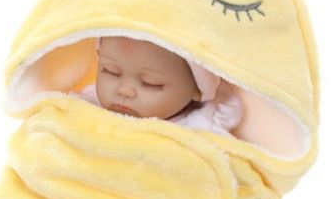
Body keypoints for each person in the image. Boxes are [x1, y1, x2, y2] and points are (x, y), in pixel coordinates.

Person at [71, 36, 243, 136]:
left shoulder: (201, 131)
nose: (124, 90)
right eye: (111, 71)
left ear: (197, 89)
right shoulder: (80, 107)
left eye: (150, 83)